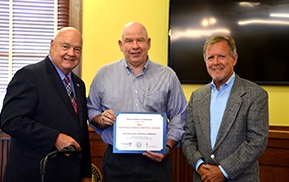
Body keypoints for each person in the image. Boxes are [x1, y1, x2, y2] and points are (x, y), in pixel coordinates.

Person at [87, 21, 187, 182]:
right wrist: (101, 119)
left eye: (140, 40)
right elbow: (91, 109)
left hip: (156, 162)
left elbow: (180, 115)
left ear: (148, 43)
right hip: (116, 163)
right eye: (129, 41)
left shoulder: (167, 75)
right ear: (121, 45)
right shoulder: (103, 74)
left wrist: (167, 147)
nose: (135, 46)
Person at [0, 27, 91, 182]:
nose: (71, 53)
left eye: (77, 49)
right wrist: (55, 138)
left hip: (70, 175)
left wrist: (85, 174)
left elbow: (82, 132)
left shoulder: (79, 85)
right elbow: (10, 120)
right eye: (65, 46)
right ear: (52, 45)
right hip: (36, 173)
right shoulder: (30, 75)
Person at [181, 35, 269, 182]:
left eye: (221, 56)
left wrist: (223, 170)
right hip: (203, 177)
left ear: (234, 59)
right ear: (205, 61)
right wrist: (199, 165)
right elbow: (187, 138)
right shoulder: (197, 96)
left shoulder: (256, 95)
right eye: (210, 58)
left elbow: (257, 141)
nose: (215, 62)